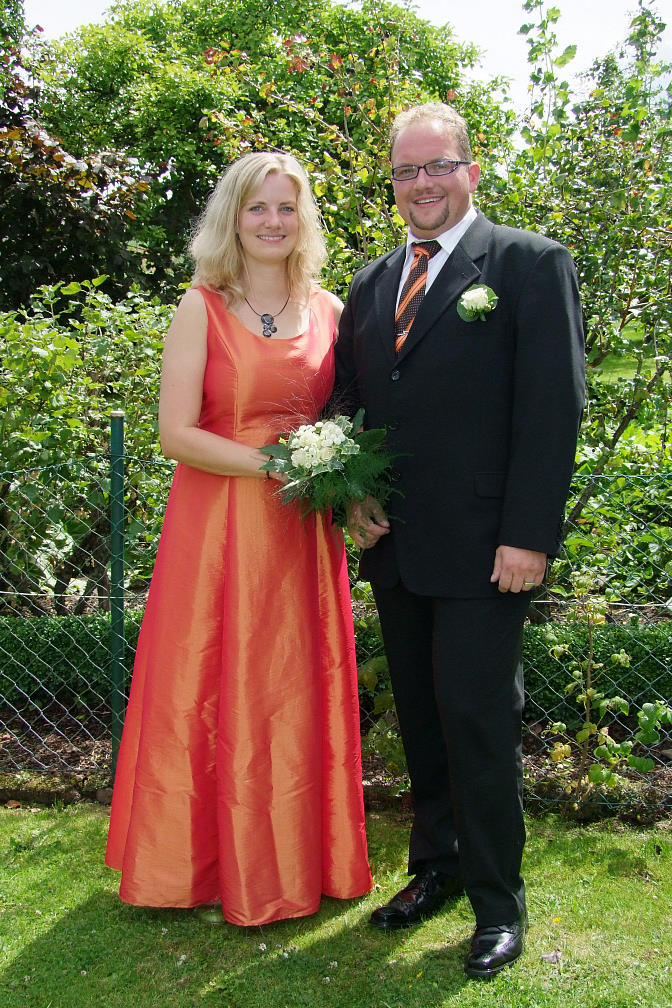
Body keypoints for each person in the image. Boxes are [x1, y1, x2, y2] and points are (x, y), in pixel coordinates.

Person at [334, 103, 584, 978]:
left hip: (488, 553)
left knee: (478, 723)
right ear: (393, 184)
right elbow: (349, 400)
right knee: (422, 720)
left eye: (438, 165)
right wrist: (352, 489)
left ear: (472, 171)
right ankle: (434, 870)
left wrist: (528, 536)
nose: (423, 184)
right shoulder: (372, 283)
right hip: (398, 547)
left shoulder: (529, 264)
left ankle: (497, 905)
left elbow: (553, 409)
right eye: (406, 171)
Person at [105, 151, 372, 926]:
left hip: (299, 534)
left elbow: (348, 412)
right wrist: (279, 464)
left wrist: (338, 475)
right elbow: (175, 433)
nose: (272, 221)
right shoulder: (201, 307)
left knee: (291, 683)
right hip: (218, 528)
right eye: (258, 207)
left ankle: (301, 857)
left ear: (303, 219)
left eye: (287, 207)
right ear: (232, 217)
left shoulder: (328, 309)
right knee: (207, 681)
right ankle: (197, 862)